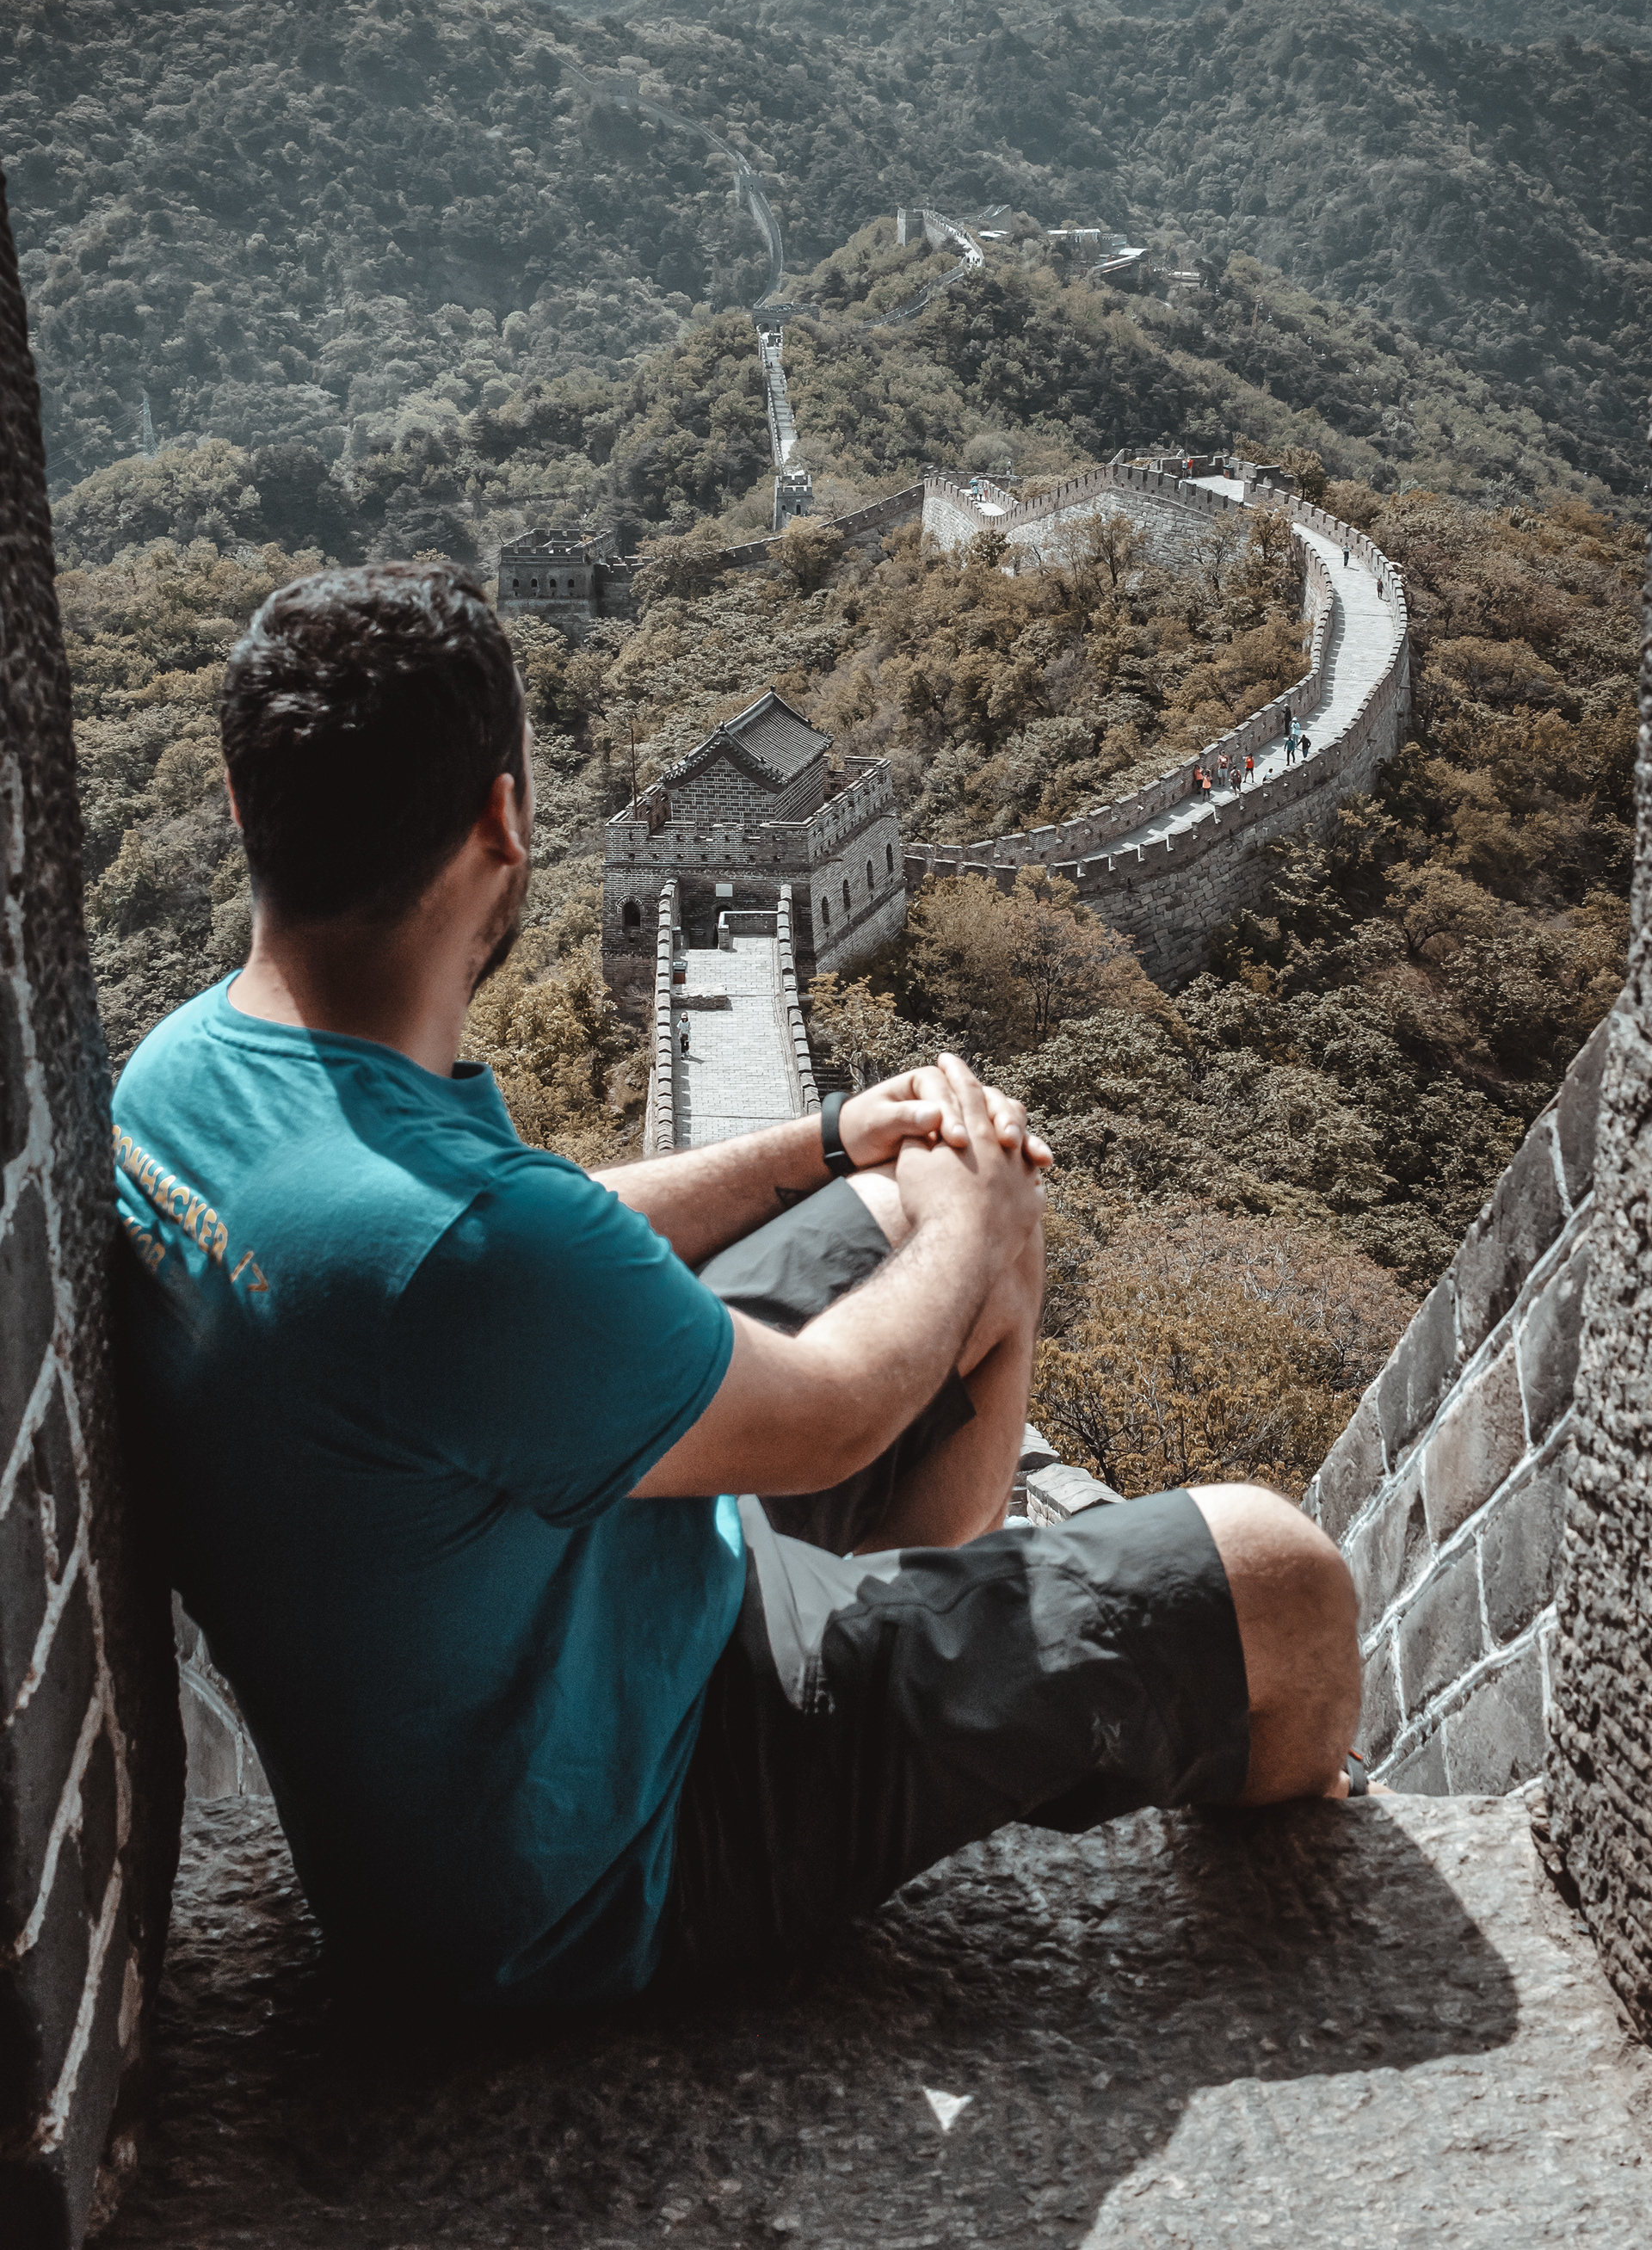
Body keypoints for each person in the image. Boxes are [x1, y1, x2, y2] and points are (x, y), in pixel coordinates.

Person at [111, 563, 1361, 2016]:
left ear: (238, 799)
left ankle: (919, 1632)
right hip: (612, 1851)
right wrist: (977, 1222)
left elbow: (528, 1249)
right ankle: (1024, 1719)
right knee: (1287, 1581)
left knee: (909, 1203)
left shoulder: (181, 1080)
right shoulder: (465, 1252)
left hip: (538, 1655)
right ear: (506, 819)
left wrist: (829, 1142)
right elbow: (828, 1416)